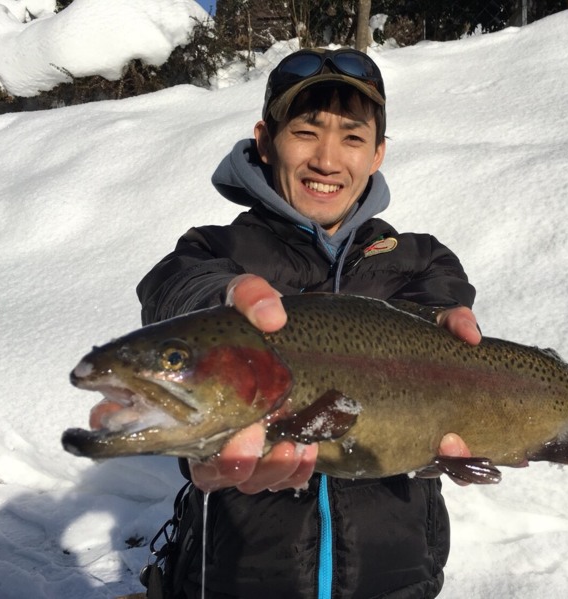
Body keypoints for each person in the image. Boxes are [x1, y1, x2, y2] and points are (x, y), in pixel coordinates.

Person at [136, 47, 482, 599]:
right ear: (267, 139)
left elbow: (446, 325)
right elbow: (174, 289)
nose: (327, 158)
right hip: (240, 575)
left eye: (352, 136)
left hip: (395, 574)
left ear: (377, 154)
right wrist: (224, 298)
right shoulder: (217, 247)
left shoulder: (420, 257)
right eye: (306, 131)